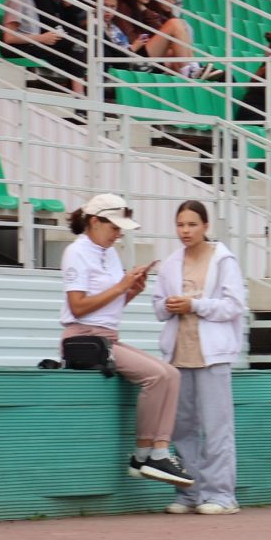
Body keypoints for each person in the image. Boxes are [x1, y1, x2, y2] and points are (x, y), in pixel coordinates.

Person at [60, 195, 192, 488]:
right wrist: (121, 286)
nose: (119, 234)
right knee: (158, 376)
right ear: (95, 222)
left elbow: (109, 307)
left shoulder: (109, 252)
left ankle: (152, 452)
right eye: (115, 227)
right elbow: (79, 307)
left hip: (106, 338)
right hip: (83, 339)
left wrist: (131, 290)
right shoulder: (76, 252)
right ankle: (148, 454)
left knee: (172, 373)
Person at [155, 200, 247, 516]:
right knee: (182, 429)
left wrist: (195, 306)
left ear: (205, 226)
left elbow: (234, 306)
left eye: (192, 224)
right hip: (178, 354)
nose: (185, 231)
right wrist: (169, 305)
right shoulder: (169, 263)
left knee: (216, 427)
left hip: (213, 356)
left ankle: (222, 495)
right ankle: (190, 493)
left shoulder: (223, 260)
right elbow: (157, 307)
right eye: (180, 224)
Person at [0, 0, 85, 94]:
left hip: (33, 44)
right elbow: (9, 38)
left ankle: (78, 100)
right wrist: (42, 38)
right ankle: (80, 101)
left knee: (76, 49)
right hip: (21, 47)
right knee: (76, 49)